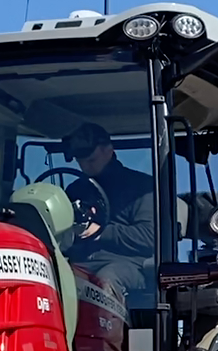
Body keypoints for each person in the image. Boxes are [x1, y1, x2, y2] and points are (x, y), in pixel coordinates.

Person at [61, 122, 156, 298]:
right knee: (51, 279)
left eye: (90, 160)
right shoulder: (75, 190)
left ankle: (104, 325)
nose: (85, 166)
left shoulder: (142, 187)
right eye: (79, 161)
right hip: (80, 261)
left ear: (109, 150)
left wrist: (100, 233)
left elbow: (149, 237)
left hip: (128, 264)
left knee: (105, 280)